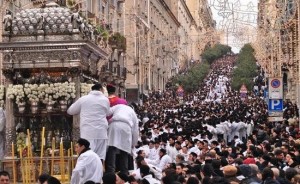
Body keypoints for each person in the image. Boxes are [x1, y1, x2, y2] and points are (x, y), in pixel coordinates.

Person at [67, 83, 110, 160]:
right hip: (101, 132)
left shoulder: (84, 99)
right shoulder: (105, 100)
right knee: (100, 157)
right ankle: (98, 171)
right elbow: (107, 113)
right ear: (101, 90)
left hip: (88, 132)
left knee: (87, 156)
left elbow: (70, 111)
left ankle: (88, 172)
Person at [105, 104, 139, 174]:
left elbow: (107, 112)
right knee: (124, 151)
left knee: (112, 149)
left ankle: (110, 171)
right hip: (126, 128)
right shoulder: (133, 113)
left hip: (114, 125)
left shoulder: (119, 106)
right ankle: (124, 172)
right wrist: (133, 144)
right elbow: (135, 131)